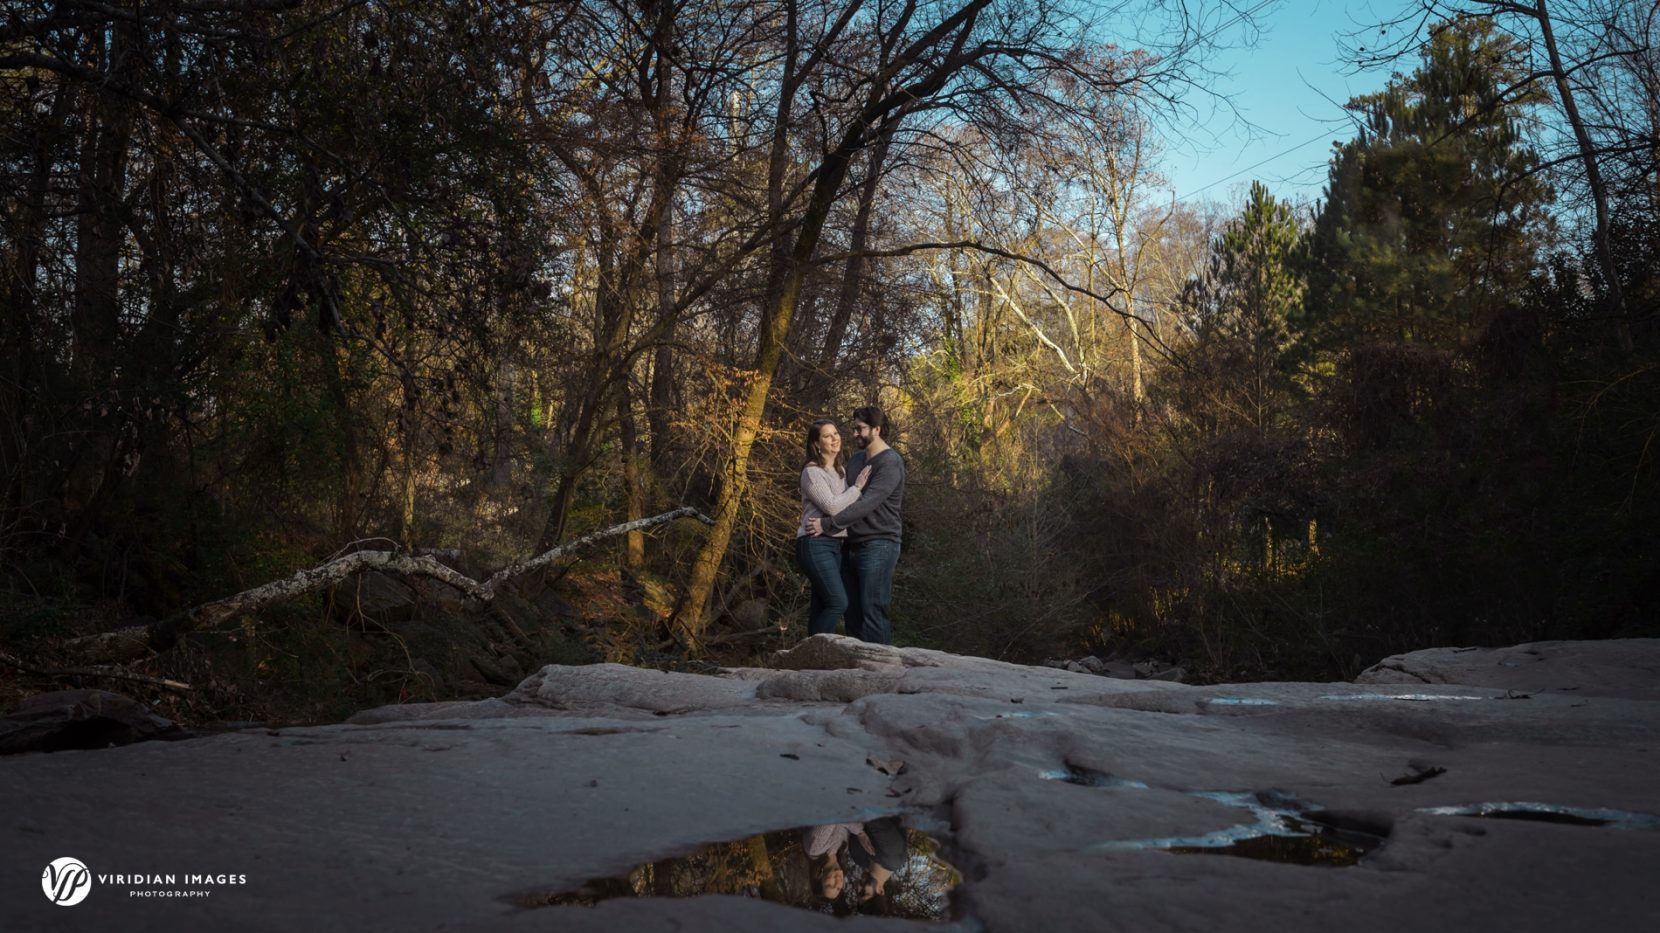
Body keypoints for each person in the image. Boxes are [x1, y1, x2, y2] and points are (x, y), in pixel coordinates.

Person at [807, 405, 904, 644]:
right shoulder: (857, 459)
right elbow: (844, 495)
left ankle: (878, 669)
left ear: (877, 429)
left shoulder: (890, 462)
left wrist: (828, 524)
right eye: (854, 429)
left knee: (873, 609)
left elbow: (865, 503)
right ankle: (857, 671)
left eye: (860, 429)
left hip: (880, 544)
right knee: (852, 612)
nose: (854, 434)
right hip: (850, 544)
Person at [797, 419, 871, 636]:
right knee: (838, 602)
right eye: (827, 436)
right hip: (814, 543)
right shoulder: (812, 472)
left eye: (836, 433)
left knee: (821, 605)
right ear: (817, 444)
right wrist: (857, 488)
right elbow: (831, 506)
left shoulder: (840, 471)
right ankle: (810, 654)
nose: (835, 438)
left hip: (834, 544)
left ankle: (810, 666)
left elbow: (847, 508)